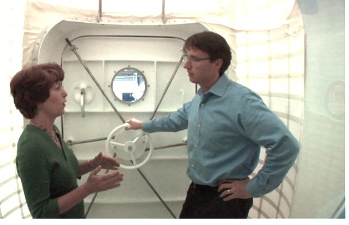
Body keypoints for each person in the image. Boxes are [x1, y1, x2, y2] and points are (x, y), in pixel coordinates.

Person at [125, 31, 299, 218]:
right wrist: (143, 125)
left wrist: (253, 187)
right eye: (186, 57)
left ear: (217, 63)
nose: (186, 65)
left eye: (195, 59)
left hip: (226, 198)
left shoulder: (243, 102)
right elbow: (176, 120)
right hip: (197, 192)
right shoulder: (201, 97)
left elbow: (286, 145)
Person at [10, 63, 124, 218]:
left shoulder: (52, 131)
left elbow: (67, 171)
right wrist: (87, 189)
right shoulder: (31, 147)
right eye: (57, 88)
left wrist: (93, 164)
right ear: (38, 98)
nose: (65, 93)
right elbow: (41, 213)